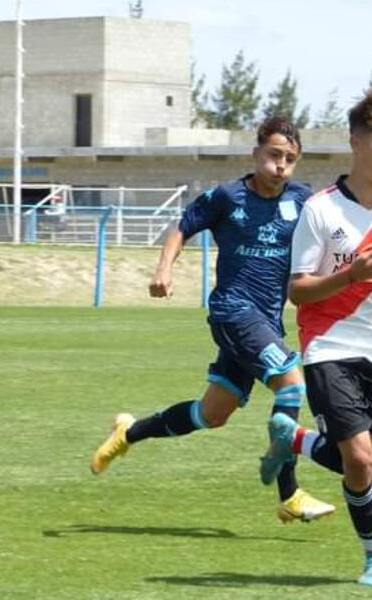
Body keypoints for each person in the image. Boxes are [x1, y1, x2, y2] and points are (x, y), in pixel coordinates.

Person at [89, 116, 335, 525]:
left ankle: (127, 433)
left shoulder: (303, 200)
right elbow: (181, 227)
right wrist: (163, 269)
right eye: (274, 155)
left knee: (211, 414)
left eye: (290, 158)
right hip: (232, 312)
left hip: (266, 323)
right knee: (291, 383)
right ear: (256, 154)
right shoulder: (227, 197)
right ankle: (290, 494)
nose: (281, 165)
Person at [261, 90, 372, 587]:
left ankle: (293, 438)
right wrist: (351, 275)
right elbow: (297, 291)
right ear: (356, 143)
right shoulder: (320, 210)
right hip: (328, 346)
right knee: (357, 460)